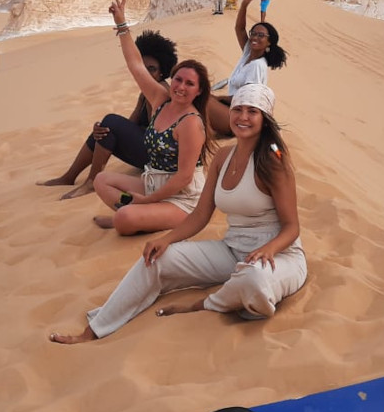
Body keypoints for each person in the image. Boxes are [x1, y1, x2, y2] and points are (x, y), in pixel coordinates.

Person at [49, 83, 306, 344]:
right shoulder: (222, 157)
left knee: (254, 279)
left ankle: (203, 305)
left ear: (265, 118)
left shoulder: (274, 160)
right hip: (232, 250)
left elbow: (292, 227)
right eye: (237, 109)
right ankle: (96, 328)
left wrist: (270, 249)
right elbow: (200, 215)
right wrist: (166, 240)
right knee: (157, 258)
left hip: (279, 257)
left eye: (253, 111)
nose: (243, 117)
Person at [91, 0, 214, 235]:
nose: (181, 87)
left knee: (125, 219)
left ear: (199, 91)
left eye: (190, 84)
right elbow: (136, 65)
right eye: (178, 79)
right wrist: (122, 24)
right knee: (101, 180)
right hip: (152, 182)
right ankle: (139, 215)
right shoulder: (160, 99)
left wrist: (148, 201)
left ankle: (131, 216)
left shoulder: (191, 123)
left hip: (184, 198)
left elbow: (183, 178)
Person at [37, 30, 178, 200]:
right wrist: (103, 130)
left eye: (152, 69)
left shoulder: (161, 91)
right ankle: (68, 177)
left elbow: (156, 131)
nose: (146, 73)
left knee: (110, 122)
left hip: (159, 159)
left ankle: (91, 182)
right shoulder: (144, 94)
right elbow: (130, 124)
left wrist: (113, 126)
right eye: (144, 68)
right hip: (147, 152)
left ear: (162, 72)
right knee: (105, 127)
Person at [207, 0, 288, 136]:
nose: (255, 37)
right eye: (254, 33)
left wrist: (216, 98)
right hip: (231, 110)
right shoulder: (248, 53)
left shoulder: (257, 66)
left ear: (269, 42)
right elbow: (239, 28)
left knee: (199, 99)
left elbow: (246, 100)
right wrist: (244, 4)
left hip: (240, 120)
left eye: (261, 35)